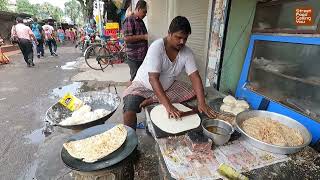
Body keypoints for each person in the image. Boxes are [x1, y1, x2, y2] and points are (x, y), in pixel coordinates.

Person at [122, 16, 216, 130]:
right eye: (178, 37)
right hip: (143, 85)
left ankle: (153, 99)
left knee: (197, 93)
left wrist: (202, 104)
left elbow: (195, 77)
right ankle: (131, 140)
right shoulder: (157, 47)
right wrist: (169, 107)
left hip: (168, 86)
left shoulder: (187, 52)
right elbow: (153, 79)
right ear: (169, 33)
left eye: (185, 39)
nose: (182, 42)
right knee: (129, 108)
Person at [122, 0, 148, 82]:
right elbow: (127, 38)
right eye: (144, 12)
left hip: (141, 56)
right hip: (134, 57)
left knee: (141, 78)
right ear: (139, 9)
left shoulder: (140, 21)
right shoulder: (130, 20)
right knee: (135, 79)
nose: (145, 14)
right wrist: (143, 36)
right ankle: (129, 94)